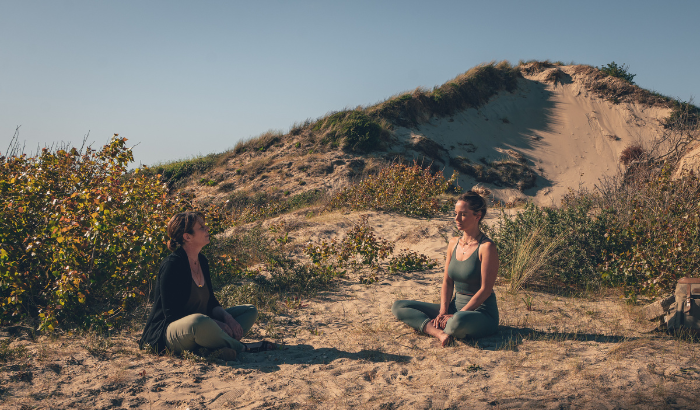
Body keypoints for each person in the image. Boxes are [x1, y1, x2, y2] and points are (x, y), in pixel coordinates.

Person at [139, 211, 274, 360]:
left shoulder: (202, 260)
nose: (207, 229)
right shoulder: (172, 265)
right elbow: (171, 314)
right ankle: (242, 347)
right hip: (168, 333)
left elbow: (211, 302)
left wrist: (226, 318)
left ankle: (205, 350)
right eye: (201, 227)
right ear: (187, 236)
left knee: (249, 311)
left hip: (204, 325)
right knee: (199, 322)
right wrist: (214, 323)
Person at [391, 188, 499, 346]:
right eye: (455, 213)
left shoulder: (486, 247)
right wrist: (443, 312)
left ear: (477, 216)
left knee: (458, 321)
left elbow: (485, 290)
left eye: (463, 214)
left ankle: (445, 326)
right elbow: (447, 282)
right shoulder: (453, 243)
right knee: (399, 306)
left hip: (480, 313)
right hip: (454, 308)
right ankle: (439, 333)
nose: (457, 218)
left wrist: (458, 314)